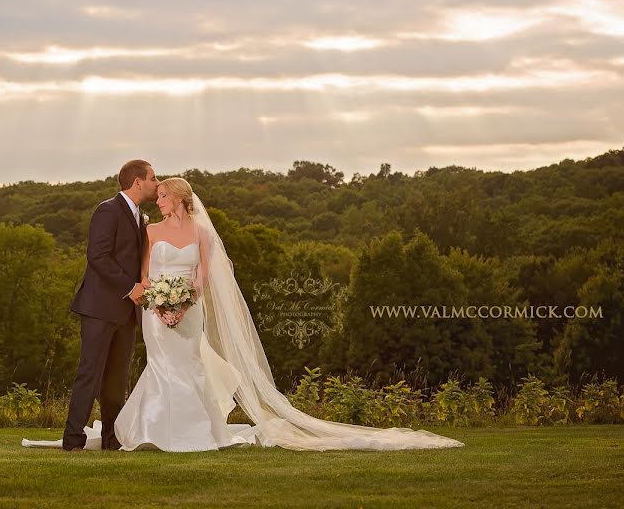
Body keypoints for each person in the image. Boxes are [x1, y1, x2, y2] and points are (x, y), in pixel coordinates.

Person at [24, 177, 465, 452]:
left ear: (178, 198)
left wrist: (186, 300)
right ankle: (130, 433)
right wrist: (156, 300)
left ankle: (190, 433)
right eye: (154, 189)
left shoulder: (200, 233)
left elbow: (204, 277)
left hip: (186, 309)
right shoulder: (147, 228)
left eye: (163, 193)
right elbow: (139, 271)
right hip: (150, 310)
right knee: (154, 368)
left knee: (184, 367)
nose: (157, 197)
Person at [59, 159, 157, 451]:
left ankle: (111, 440)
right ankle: (72, 439)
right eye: (153, 178)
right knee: (90, 374)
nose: (156, 183)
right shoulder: (108, 210)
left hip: (127, 313)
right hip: (99, 309)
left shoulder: (140, 217)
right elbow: (97, 257)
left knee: (117, 380)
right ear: (137, 182)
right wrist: (131, 288)